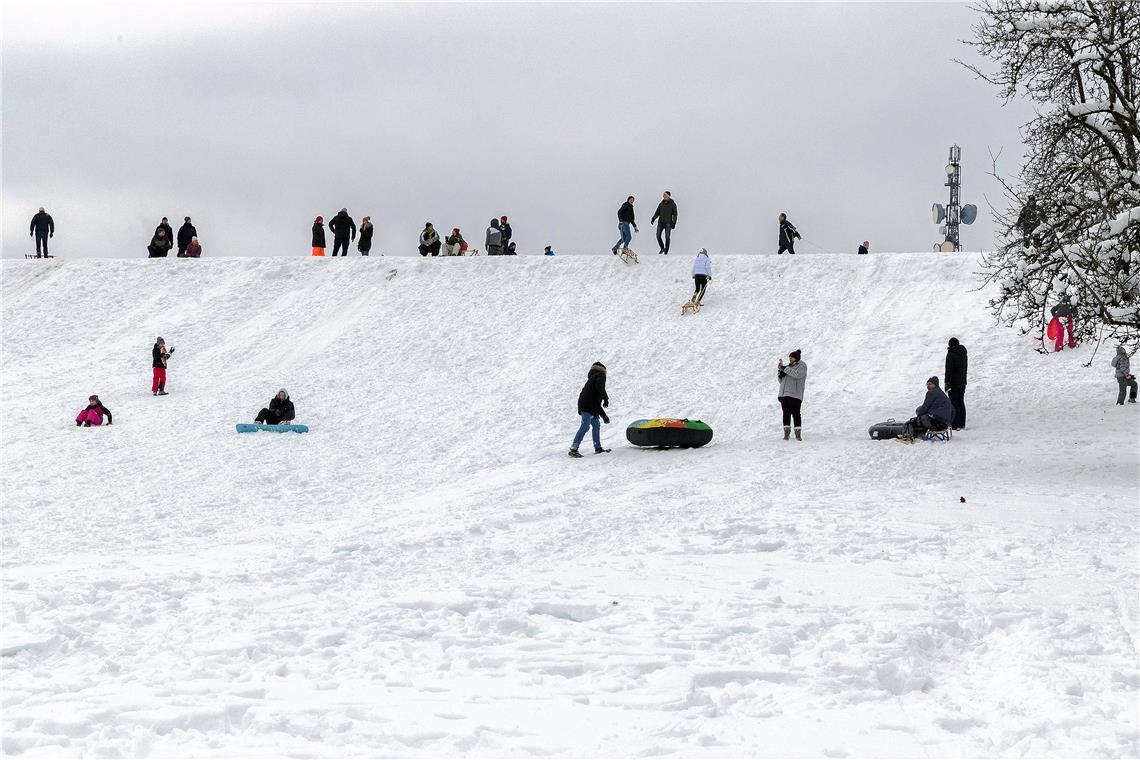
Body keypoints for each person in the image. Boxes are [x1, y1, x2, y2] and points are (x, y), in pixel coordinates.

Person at [569, 362, 610, 458]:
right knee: (585, 425)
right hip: (587, 405)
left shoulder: (592, 378)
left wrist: (603, 415)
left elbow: (595, 402)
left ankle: (598, 447)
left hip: (588, 404)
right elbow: (600, 387)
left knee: (596, 425)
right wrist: (606, 398)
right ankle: (574, 448)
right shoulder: (600, 375)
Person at [897, 377, 954, 443]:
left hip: (936, 423)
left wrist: (918, 416)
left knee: (910, 423)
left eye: (930, 384)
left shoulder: (931, 393)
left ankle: (907, 437)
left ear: (935, 384)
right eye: (927, 384)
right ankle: (920, 434)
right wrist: (949, 422)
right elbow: (953, 410)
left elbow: (924, 409)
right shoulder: (942, 394)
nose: (928, 386)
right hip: (944, 424)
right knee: (922, 419)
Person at [777, 349, 807, 441]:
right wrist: (780, 373)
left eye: (792, 357)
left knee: (796, 414)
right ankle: (786, 434)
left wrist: (784, 369)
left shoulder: (802, 366)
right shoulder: (788, 368)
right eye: (789, 357)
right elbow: (781, 382)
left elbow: (797, 375)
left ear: (797, 358)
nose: (790, 359)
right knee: (786, 414)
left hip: (795, 395)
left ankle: (798, 435)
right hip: (784, 394)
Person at [944, 337, 968, 430]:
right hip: (962, 382)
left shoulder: (951, 354)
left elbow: (948, 370)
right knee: (961, 402)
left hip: (953, 383)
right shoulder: (963, 353)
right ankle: (962, 424)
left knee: (954, 403)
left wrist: (947, 383)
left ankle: (955, 424)